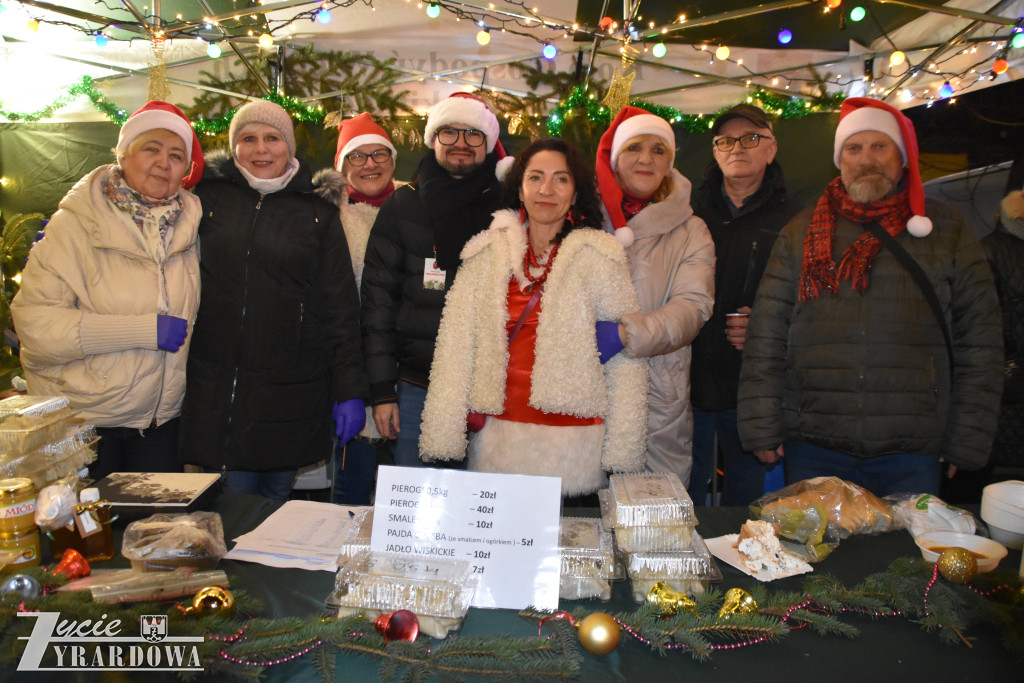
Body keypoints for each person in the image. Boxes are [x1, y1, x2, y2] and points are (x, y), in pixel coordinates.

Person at [737, 97, 1003, 497]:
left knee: (906, 560)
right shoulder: (801, 232)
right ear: (839, 159)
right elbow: (767, 337)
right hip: (814, 442)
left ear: (902, 157)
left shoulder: (945, 231)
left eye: (880, 146)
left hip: (912, 449)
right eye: (854, 148)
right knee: (816, 558)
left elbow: (980, 340)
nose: (867, 159)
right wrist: (762, 426)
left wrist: (966, 439)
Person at [418, 137, 648, 495]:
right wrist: (442, 433)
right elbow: (455, 349)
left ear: (575, 193)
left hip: (573, 447)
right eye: (535, 177)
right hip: (498, 443)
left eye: (561, 179)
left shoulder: (599, 256)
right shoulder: (486, 254)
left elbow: (626, 363)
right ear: (519, 189)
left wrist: (624, 449)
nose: (547, 189)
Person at [179, 100, 367, 500]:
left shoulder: (318, 212)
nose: (261, 149)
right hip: (219, 388)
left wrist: (349, 388)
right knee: (233, 505)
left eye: (272, 138)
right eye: (248, 138)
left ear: (290, 147)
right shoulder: (206, 199)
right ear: (234, 148)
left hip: (292, 389)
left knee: (275, 508)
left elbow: (340, 308)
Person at [11, 101, 205, 480]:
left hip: (160, 422)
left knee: (152, 533)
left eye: (176, 155)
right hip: (87, 423)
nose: (164, 162)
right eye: (151, 148)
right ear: (124, 154)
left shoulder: (193, 228)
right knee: (90, 535)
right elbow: (35, 329)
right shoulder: (74, 227)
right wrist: (141, 330)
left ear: (186, 170)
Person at [361, 93, 509, 467]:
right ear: (433, 139)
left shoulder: (510, 205)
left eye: (473, 134)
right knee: (418, 508)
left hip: (492, 388)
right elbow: (378, 301)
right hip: (416, 385)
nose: (460, 143)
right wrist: (381, 392)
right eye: (449, 132)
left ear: (488, 142)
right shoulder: (403, 204)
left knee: (484, 510)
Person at [592, 106, 715, 489]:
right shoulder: (582, 217)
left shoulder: (691, 230)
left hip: (658, 395)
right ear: (616, 159)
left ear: (670, 162)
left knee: (654, 520)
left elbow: (694, 307)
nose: (646, 158)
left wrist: (627, 335)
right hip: (584, 387)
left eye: (658, 150)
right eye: (634, 148)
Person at [689, 105, 804, 505]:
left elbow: (811, 299)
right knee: (684, 499)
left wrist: (770, 322)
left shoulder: (797, 217)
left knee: (747, 506)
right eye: (726, 141)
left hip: (753, 387)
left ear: (771, 149)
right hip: (691, 381)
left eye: (751, 138)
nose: (737, 148)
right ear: (715, 152)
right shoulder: (688, 210)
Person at [314, 112, 400, 504]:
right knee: (352, 485)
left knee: (402, 495)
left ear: (393, 160)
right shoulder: (327, 218)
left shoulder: (413, 208)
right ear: (342, 166)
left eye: (379, 154)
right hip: (352, 375)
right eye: (357, 156)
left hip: (404, 373)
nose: (369, 165)